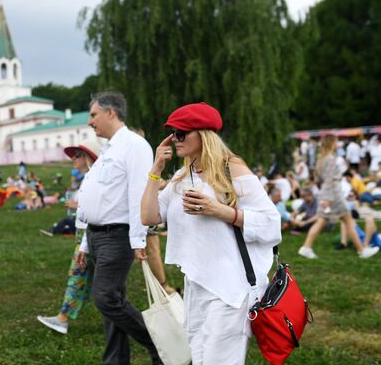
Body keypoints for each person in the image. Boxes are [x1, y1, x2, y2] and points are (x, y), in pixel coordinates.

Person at [141, 102, 282, 364]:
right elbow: (149, 217)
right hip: (196, 283)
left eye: (181, 133)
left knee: (220, 358)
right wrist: (155, 170)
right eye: (173, 133)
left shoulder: (233, 169)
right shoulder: (183, 176)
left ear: (204, 135)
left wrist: (219, 210)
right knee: (201, 355)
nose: (175, 139)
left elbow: (271, 224)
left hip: (230, 285)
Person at [75, 92, 161, 365]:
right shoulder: (110, 147)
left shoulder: (134, 146)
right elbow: (99, 194)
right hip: (98, 235)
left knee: (105, 298)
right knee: (111, 302)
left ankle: (160, 343)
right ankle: (116, 360)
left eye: (93, 115)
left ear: (111, 113)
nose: (90, 122)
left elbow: (139, 193)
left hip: (118, 235)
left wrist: (138, 239)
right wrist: (85, 243)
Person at [37, 139, 102, 334]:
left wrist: (78, 207)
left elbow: (99, 208)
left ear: (87, 157)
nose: (73, 160)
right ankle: (64, 317)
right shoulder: (88, 178)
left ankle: (63, 318)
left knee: (80, 276)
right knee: (87, 278)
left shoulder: (96, 178)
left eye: (76, 156)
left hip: (91, 234)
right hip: (84, 234)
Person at [298, 135, 379, 259]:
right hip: (333, 195)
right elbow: (330, 179)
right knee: (347, 221)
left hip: (328, 193)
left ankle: (306, 247)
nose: (338, 144)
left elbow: (319, 179)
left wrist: (325, 197)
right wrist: (327, 199)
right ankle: (362, 251)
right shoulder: (330, 159)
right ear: (332, 143)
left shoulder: (321, 160)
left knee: (327, 221)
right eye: (336, 142)